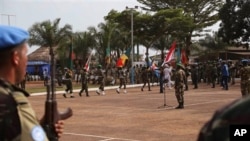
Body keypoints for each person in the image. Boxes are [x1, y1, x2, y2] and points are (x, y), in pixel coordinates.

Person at [0, 25, 63, 140]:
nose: (27, 60)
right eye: (25, 54)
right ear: (15, 58)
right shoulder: (11, 103)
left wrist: (38, 127)